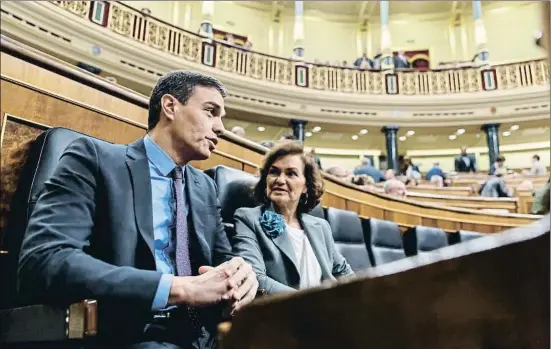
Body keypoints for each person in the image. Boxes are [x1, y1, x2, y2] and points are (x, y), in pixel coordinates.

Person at [18, 71, 258, 349]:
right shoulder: (94, 159)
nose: (221, 128)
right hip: (130, 334)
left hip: (205, 338)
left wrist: (241, 276)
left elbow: (222, 261)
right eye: (210, 112)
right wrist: (177, 288)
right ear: (170, 107)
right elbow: (46, 260)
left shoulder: (204, 185)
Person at [232, 142, 354, 295]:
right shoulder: (248, 218)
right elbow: (253, 277)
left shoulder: (321, 226)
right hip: (280, 313)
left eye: (291, 174)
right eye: (274, 172)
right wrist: (311, 304)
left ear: (305, 186)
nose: (280, 180)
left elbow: (344, 273)